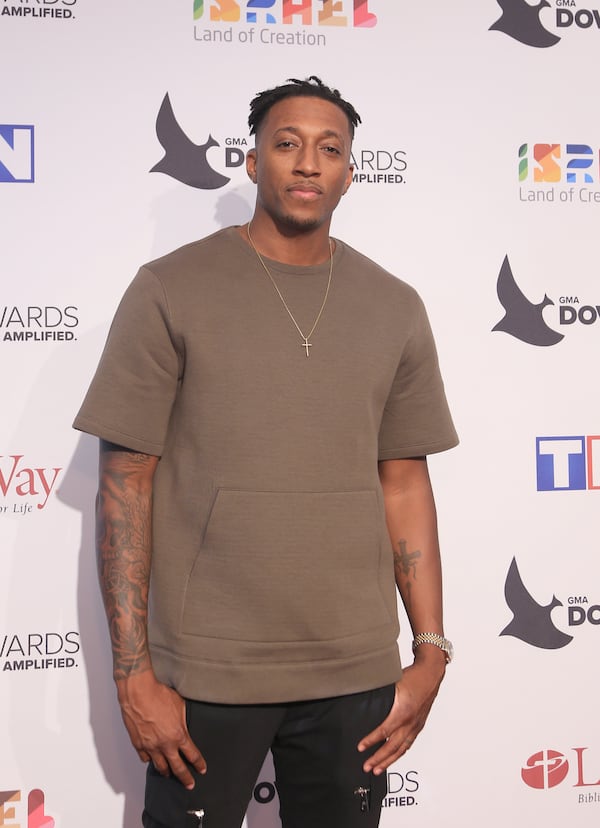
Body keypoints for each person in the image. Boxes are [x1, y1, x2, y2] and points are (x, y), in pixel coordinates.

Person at [74, 76, 458, 828]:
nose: (308, 163)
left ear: (351, 171)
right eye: (287, 144)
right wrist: (132, 675)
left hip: (355, 675)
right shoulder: (170, 289)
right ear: (253, 162)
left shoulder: (395, 305)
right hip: (207, 675)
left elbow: (405, 482)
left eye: (329, 149)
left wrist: (432, 650)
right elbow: (124, 481)